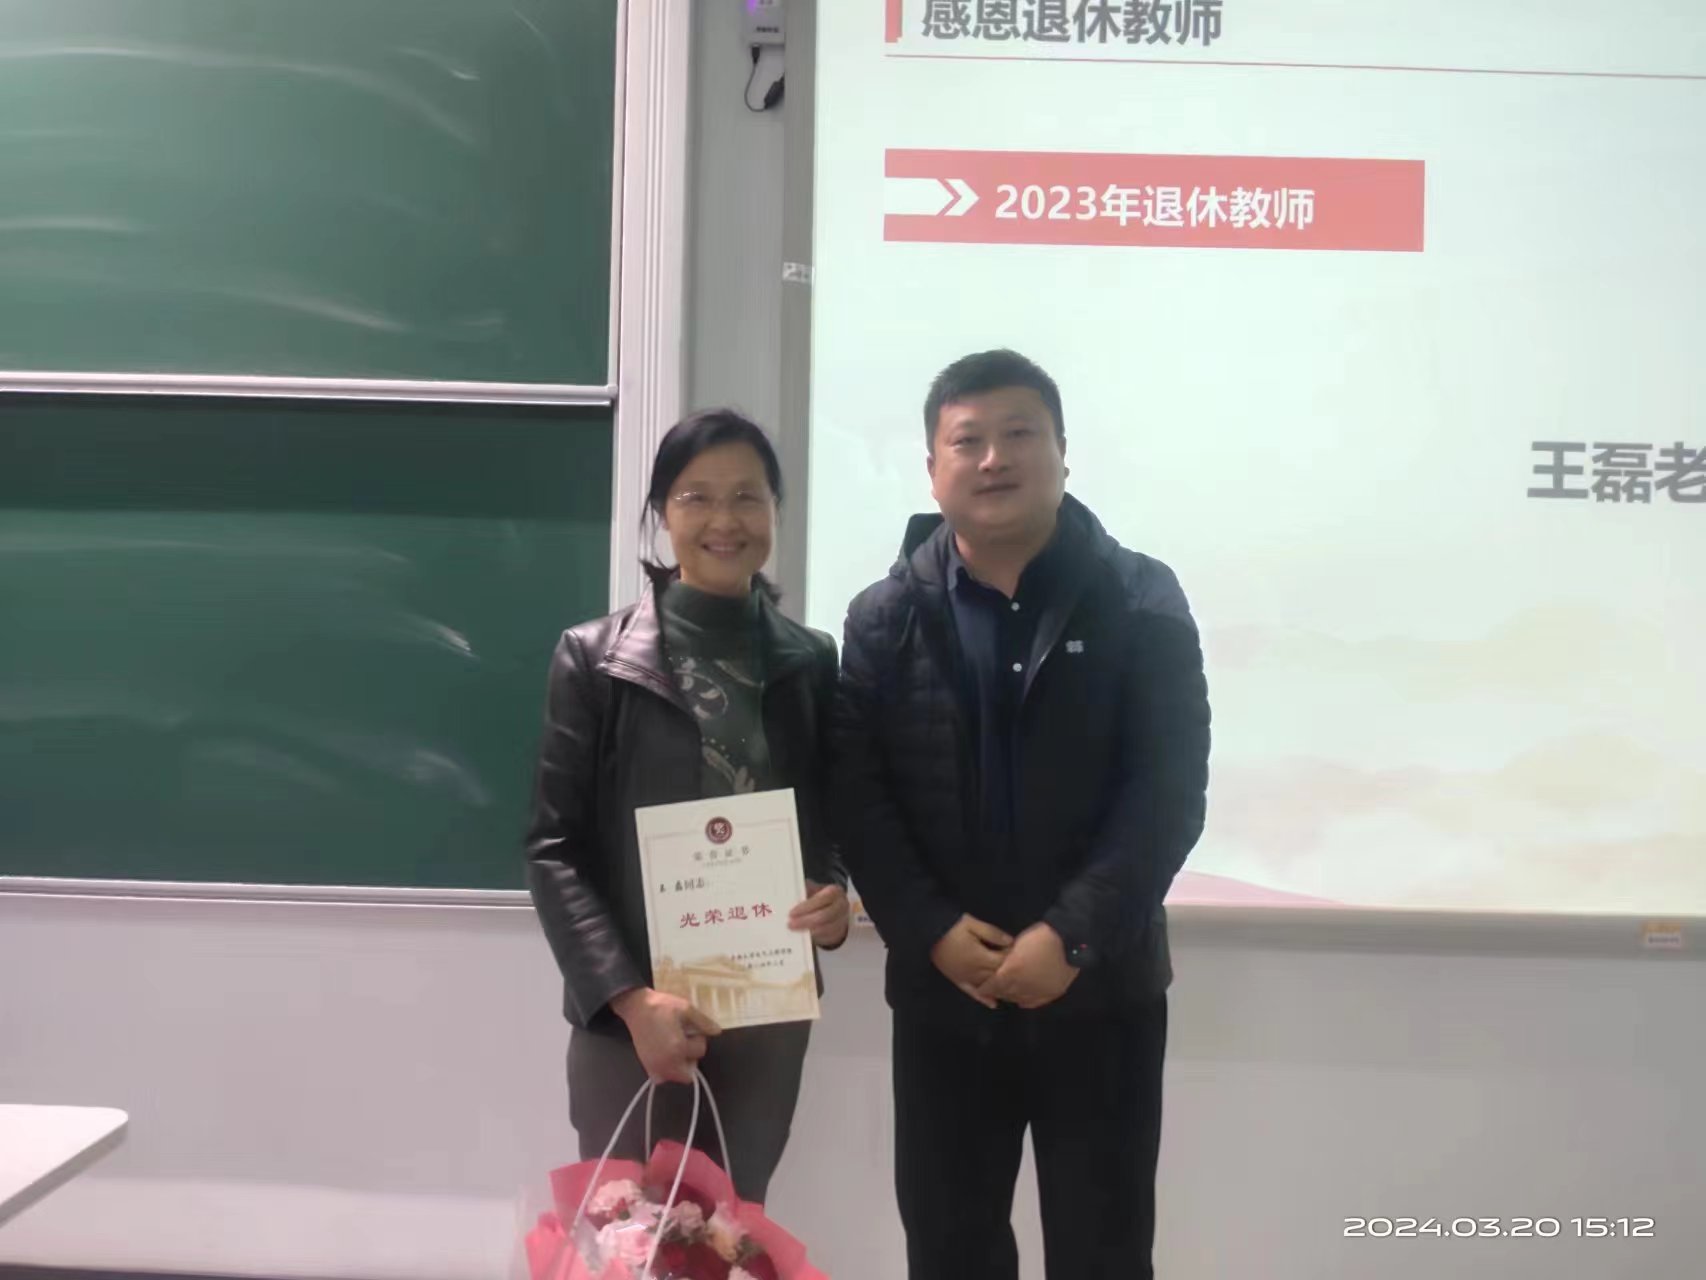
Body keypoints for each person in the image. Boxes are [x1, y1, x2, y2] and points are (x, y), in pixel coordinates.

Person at [832, 350, 1211, 1278]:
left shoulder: (1140, 597)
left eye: (1019, 434)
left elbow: (1168, 792)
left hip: (1102, 991)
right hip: (945, 999)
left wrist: (1070, 937)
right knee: (950, 1248)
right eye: (968, 440)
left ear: (1062, 453)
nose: (994, 458)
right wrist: (930, 930)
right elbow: (858, 795)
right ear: (933, 469)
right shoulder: (883, 617)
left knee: (1104, 1251)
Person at [526, 409, 850, 1205]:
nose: (723, 520)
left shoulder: (810, 660)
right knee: (628, 1233)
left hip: (764, 1010)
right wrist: (631, 1000)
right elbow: (554, 849)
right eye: (696, 496)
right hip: (630, 1020)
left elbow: (828, 819)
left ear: (775, 510)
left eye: (747, 497)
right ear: (661, 513)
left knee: (734, 1230)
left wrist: (833, 895)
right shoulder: (594, 659)